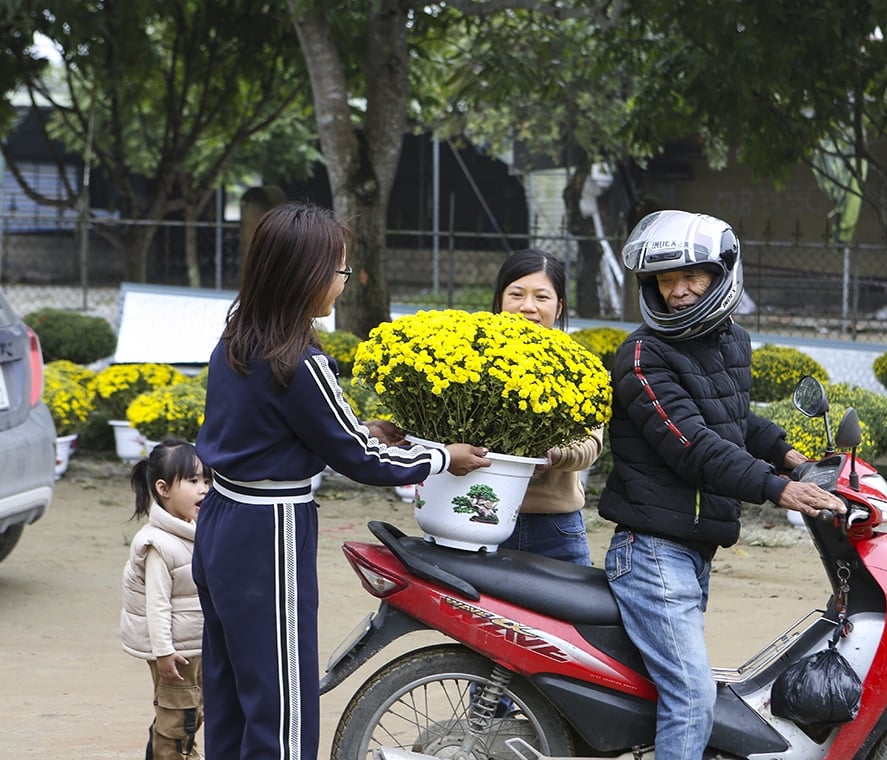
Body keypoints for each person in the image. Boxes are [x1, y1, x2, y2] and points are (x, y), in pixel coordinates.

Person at [192, 200, 490, 760]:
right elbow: (361, 460)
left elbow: (272, 432)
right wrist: (443, 457)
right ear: (303, 276)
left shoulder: (234, 342)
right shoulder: (300, 360)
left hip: (221, 522)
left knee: (232, 684)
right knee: (282, 700)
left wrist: (361, 428)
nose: (343, 282)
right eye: (339, 270)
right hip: (268, 529)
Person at [598, 210, 846, 760]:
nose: (680, 293)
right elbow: (693, 446)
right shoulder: (643, 356)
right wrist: (779, 488)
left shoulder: (732, 340)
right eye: (666, 281)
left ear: (722, 274)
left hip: (690, 549)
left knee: (677, 689)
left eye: (692, 277)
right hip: (652, 552)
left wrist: (790, 456)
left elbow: (734, 421)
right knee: (691, 696)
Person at [492, 249, 603, 565]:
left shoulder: (579, 368)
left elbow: (591, 444)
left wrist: (554, 455)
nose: (528, 307)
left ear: (559, 307)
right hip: (481, 514)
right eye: (516, 294)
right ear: (500, 299)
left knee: (576, 615)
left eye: (541, 297)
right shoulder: (468, 357)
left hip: (556, 526)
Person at [120, 439, 212, 760]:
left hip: (194, 644)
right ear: (163, 488)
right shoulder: (157, 544)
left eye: (206, 480)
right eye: (193, 481)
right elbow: (157, 604)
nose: (203, 489)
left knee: (192, 712)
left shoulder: (194, 529)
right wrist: (164, 653)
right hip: (175, 653)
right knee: (179, 718)